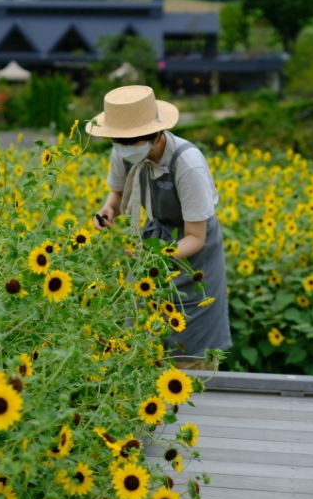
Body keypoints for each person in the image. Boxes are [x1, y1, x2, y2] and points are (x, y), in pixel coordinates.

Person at [88, 85, 230, 369]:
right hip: (152, 243)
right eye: (119, 141)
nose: (123, 148)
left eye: (131, 142)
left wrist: (153, 258)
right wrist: (108, 211)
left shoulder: (187, 164)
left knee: (190, 342)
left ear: (154, 136)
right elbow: (117, 193)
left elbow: (195, 236)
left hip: (193, 257)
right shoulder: (124, 152)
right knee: (140, 331)